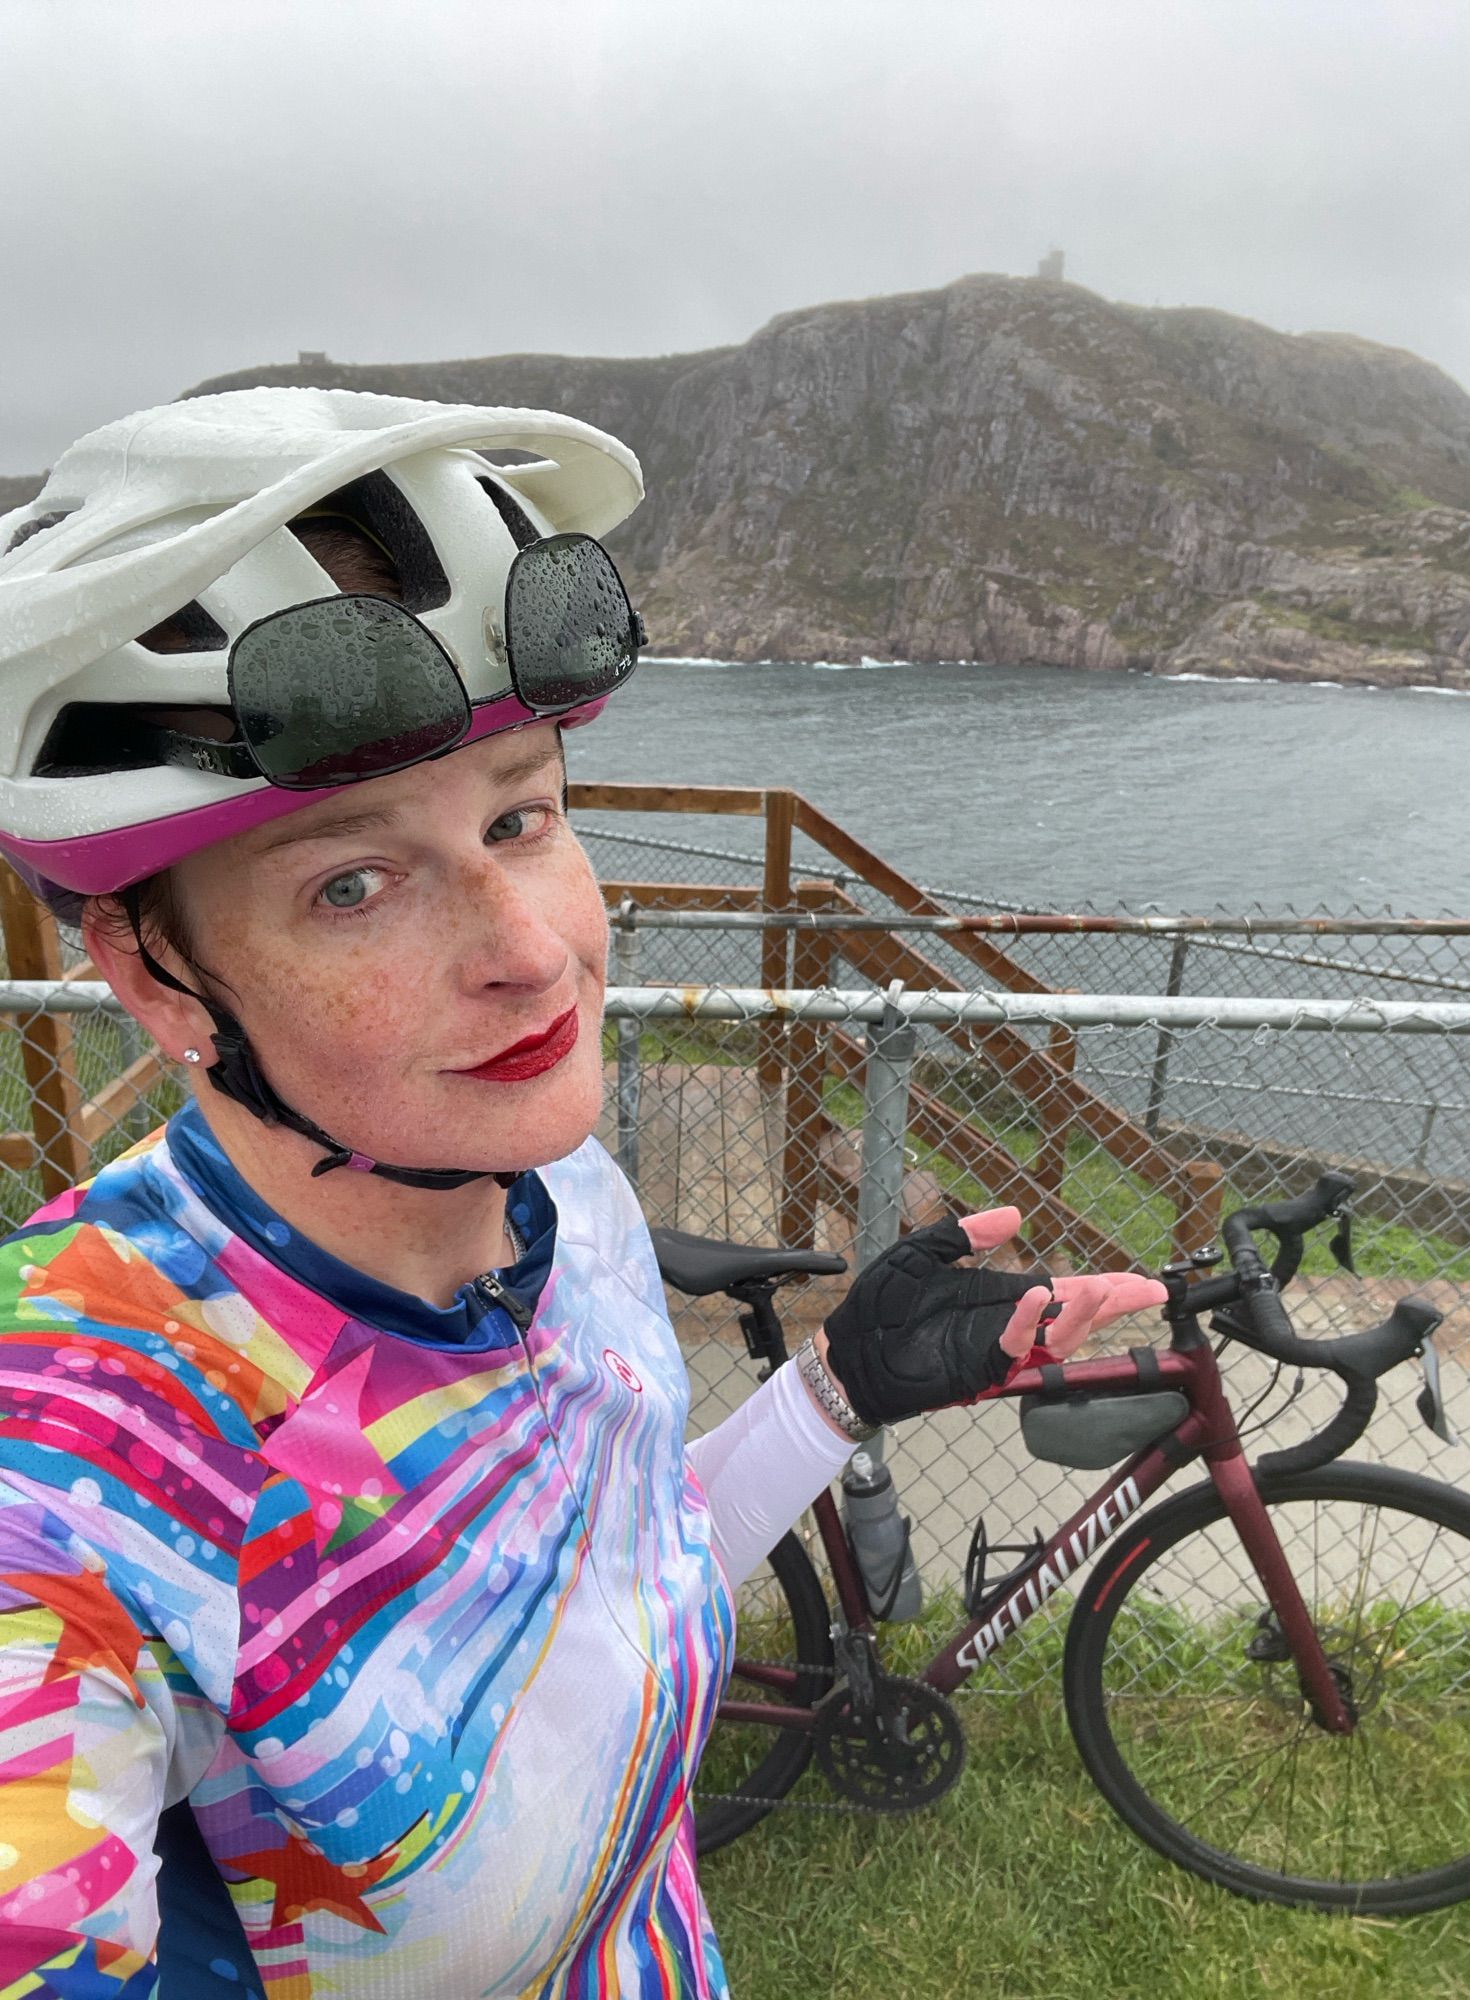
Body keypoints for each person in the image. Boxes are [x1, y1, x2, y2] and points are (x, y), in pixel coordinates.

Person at [0, 389, 1165, 1999]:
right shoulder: (77, 1472)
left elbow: (591, 1597)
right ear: (154, 971)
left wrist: (836, 1397)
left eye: (520, 816)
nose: (534, 951)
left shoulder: (564, 1193)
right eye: (354, 881)